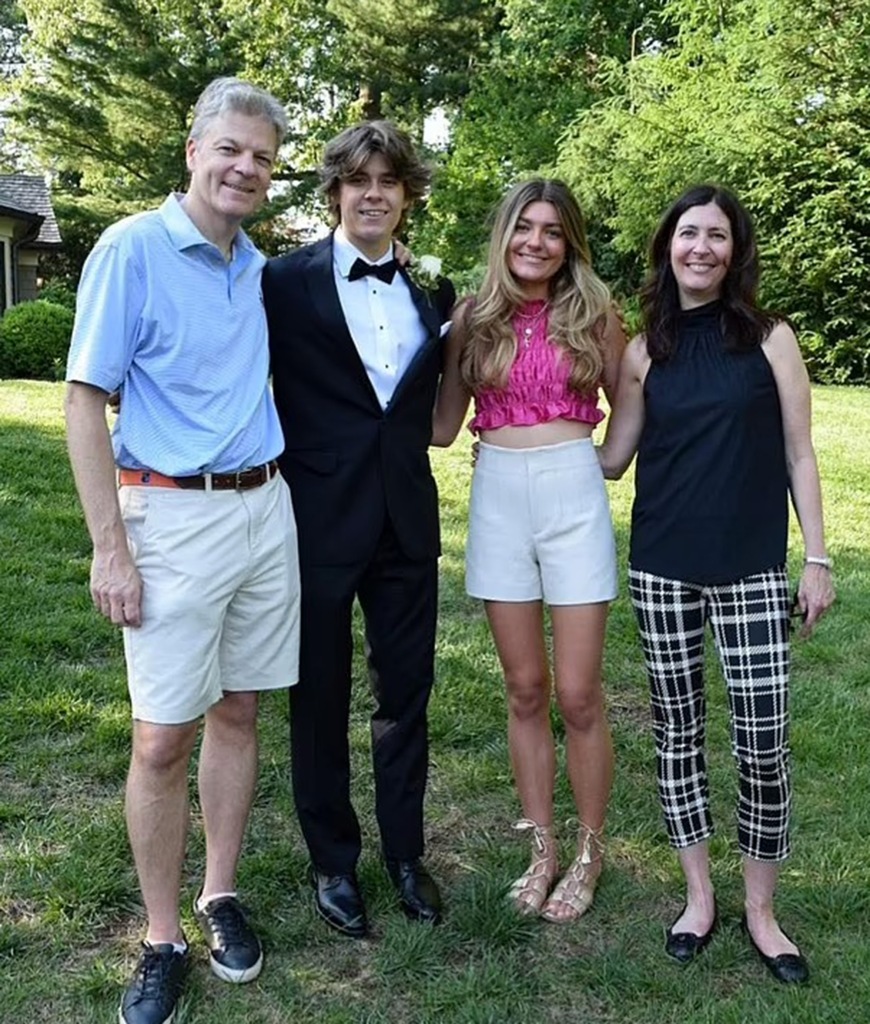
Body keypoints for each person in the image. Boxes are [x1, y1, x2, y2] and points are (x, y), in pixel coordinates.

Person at [64, 78, 300, 1024]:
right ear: (193, 150)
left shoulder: (253, 264)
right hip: (167, 516)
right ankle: (161, 940)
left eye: (263, 159)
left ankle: (219, 893)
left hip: (263, 509)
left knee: (239, 709)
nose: (245, 168)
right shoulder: (131, 249)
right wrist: (109, 547)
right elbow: (85, 399)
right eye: (230, 149)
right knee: (163, 737)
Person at [598, 184, 835, 982]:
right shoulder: (642, 348)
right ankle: (699, 897)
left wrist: (818, 558)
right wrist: (527, 427)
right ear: (668, 244)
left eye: (718, 237)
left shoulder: (771, 339)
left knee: (763, 741)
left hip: (752, 569)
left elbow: (801, 454)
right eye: (689, 234)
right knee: (678, 735)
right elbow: (612, 457)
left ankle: (763, 912)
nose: (701, 248)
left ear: (736, 252)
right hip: (662, 567)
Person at [264, 121, 455, 938]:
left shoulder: (432, 292)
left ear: (407, 196)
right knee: (318, 697)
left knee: (405, 695)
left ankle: (406, 855)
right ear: (335, 189)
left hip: (406, 521)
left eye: (389, 181)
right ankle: (333, 861)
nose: (373, 193)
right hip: (313, 519)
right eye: (358, 180)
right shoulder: (280, 281)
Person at [432, 179, 625, 922]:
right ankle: (541, 848)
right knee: (524, 689)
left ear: (569, 242)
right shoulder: (472, 319)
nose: (535, 242)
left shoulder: (594, 315)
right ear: (504, 236)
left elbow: (630, 388)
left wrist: (611, 457)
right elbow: (443, 424)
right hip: (499, 497)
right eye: (524, 228)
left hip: (573, 491)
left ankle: (589, 850)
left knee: (578, 693)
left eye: (551, 231)